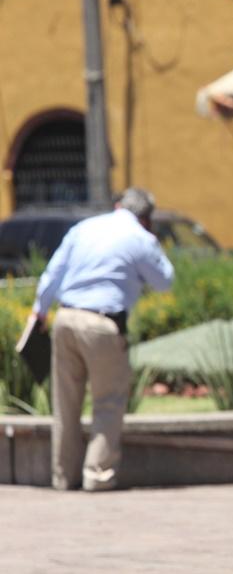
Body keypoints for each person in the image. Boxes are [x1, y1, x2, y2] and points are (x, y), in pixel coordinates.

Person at [30, 188, 175, 491]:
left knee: (65, 404)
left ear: (118, 205)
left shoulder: (83, 228)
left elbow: (52, 274)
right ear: (146, 218)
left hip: (66, 318)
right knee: (108, 402)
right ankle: (97, 476)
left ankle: (62, 476)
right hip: (103, 325)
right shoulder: (141, 238)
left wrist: (39, 313)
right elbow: (164, 281)